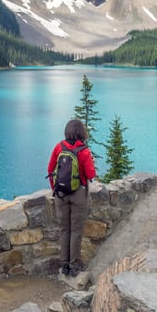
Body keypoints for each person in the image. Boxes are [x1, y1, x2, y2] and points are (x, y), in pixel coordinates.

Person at [47, 118, 98, 276]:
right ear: (82, 133)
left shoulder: (59, 147)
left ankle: (64, 265)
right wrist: (92, 162)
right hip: (78, 194)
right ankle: (74, 265)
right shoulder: (84, 151)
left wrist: (55, 189)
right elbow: (91, 174)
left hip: (61, 194)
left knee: (64, 229)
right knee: (76, 230)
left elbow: (50, 169)